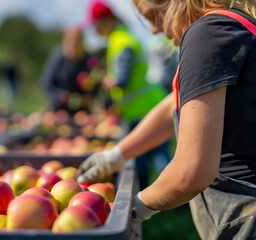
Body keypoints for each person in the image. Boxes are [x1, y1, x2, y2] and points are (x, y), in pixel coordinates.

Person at [78, 0, 256, 239]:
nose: (153, 30)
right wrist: (116, 155)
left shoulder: (209, 32)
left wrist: (133, 208)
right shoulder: (236, 27)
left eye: (152, 16)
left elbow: (192, 170)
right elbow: (174, 105)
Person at [87, 0, 170, 190]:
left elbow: (122, 79)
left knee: (157, 159)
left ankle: (176, 202)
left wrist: (104, 81)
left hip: (144, 108)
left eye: (96, 24)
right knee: (153, 158)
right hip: (141, 107)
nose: (94, 29)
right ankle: (165, 200)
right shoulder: (121, 38)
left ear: (106, 21)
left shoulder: (122, 42)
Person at [40, 25, 98, 114]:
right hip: (59, 111)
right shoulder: (58, 57)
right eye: (70, 40)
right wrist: (60, 95)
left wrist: (88, 97)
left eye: (77, 40)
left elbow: (96, 86)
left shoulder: (90, 60)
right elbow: (46, 83)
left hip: (82, 113)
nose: (74, 43)